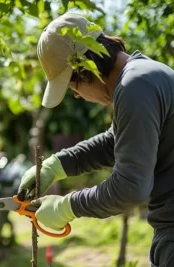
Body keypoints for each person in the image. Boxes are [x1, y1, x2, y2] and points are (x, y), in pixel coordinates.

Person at [17, 13, 174, 267]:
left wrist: (66, 207)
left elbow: (130, 187)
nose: (77, 96)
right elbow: (117, 142)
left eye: (72, 86)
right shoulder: (144, 75)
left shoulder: (135, 86)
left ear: (85, 67)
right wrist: (56, 165)